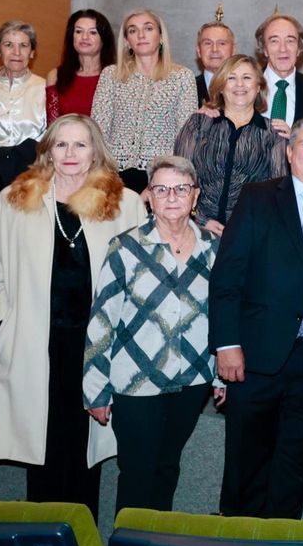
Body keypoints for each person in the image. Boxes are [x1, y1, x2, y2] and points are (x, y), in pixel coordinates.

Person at [0, 115, 147, 517]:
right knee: (44, 447)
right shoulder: (16, 198)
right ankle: (41, 545)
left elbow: (141, 280)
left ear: (96, 151)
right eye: (61, 145)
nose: (70, 154)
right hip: (34, 343)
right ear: (47, 150)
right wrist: (5, 327)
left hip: (97, 349)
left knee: (83, 450)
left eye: (81, 145)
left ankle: (80, 540)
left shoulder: (123, 203)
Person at [211, 117, 303, 519]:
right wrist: (226, 344)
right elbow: (227, 276)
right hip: (255, 355)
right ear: (290, 153)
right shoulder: (257, 197)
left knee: (294, 463)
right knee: (246, 461)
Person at [83, 155, 220, 513]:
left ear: (195, 196)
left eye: (181, 189)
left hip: (192, 379)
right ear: (149, 196)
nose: (172, 197)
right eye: (162, 189)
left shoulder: (214, 249)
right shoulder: (125, 248)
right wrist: (95, 388)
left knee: (167, 467)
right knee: (137, 473)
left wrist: (221, 373)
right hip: (135, 381)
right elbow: (102, 321)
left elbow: (223, 314)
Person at [173, 53, 287, 236]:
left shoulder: (274, 134)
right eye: (231, 78)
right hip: (194, 229)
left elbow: (277, 193)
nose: (239, 84)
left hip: (249, 233)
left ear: (258, 86)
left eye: (247, 78)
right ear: (221, 87)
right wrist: (200, 220)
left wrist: (247, 228)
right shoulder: (198, 123)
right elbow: (177, 177)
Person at [90, 8, 198, 193]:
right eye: (132, 30)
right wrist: (101, 174)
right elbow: (98, 129)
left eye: (148, 28)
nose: (141, 35)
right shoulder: (111, 75)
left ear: (161, 36)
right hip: (114, 175)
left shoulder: (182, 77)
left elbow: (185, 137)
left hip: (163, 178)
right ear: (126, 42)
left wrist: (167, 180)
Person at [0, 20, 48, 189]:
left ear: (32, 53)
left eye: (24, 45)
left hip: (33, 180)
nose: (16, 52)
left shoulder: (46, 89)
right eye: (8, 45)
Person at [256, 14, 303, 122]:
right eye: (274, 41)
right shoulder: (246, 86)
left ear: (299, 49)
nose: (283, 49)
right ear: (264, 49)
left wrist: (294, 137)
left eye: (290, 41)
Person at [46, 10, 115, 120]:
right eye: (78, 31)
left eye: (92, 32)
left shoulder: (116, 76)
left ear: (104, 39)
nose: (84, 37)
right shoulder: (55, 76)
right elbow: (52, 126)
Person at [192, 22, 235, 105]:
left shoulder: (245, 88)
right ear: (199, 51)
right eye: (208, 43)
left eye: (222, 43)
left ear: (233, 50)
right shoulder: (188, 89)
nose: (214, 49)